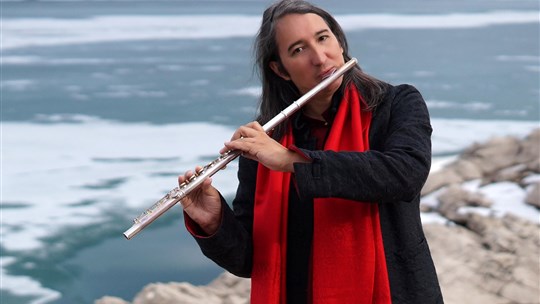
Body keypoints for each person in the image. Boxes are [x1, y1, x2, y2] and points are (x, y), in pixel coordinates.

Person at [178, 0, 444, 303]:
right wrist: (214, 222)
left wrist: (293, 161)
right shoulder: (267, 139)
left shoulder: (396, 104)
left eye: (323, 38)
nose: (320, 58)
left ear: (340, 42)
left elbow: (405, 174)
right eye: (298, 50)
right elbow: (250, 260)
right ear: (280, 69)